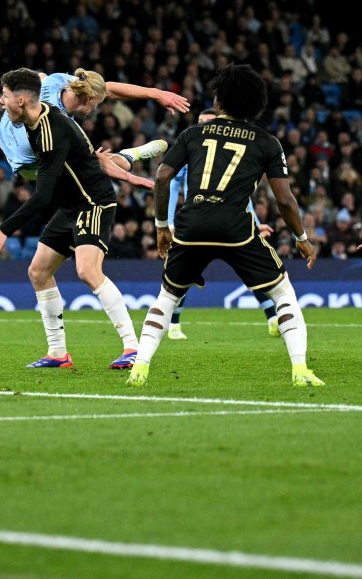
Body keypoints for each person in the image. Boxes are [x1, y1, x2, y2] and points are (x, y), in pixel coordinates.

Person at [127, 65, 323, 388]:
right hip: (236, 228)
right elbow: (285, 200)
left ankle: (140, 367)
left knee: (167, 297)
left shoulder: (192, 134)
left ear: (218, 103)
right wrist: (301, 237)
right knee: (282, 292)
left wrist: (162, 226)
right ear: (255, 104)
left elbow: (162, 176)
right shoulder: (267, 142)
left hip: (191, 226)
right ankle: (300, 370)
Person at [0, 68, 140, 370]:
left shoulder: (51, 131)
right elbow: (43, 78)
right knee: (38, 272)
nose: (1, 103)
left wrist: (4, 229)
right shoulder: (32, 118)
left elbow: (42, 197)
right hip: (70, 206)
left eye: (5, 97)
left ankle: (133, 347)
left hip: (93, 203)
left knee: (87, 270)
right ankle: (58, 354)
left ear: (23, 100)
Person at [164, 108, 279, 340]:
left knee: (251, 272)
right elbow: (172, 184)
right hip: (196, 220)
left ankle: (273, 318)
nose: (202, 126)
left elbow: (243, 196)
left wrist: (256, 223)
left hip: (229, 221)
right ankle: (174, 324)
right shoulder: (192, 148)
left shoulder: (229, 153)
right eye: (199, 121)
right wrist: (170, 221)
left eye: (207, 121)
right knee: (182, 274)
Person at [0, 69, 189, 186]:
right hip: (30, 167)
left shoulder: (58, 81)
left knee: (40, 76)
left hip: (11, 131)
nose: (99, 107)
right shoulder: (59, 124)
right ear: (88, 100)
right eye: (98, 103)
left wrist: (157, 93)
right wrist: (133, 178)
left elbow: (108, 89)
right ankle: (130, 156)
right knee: (101, 164)